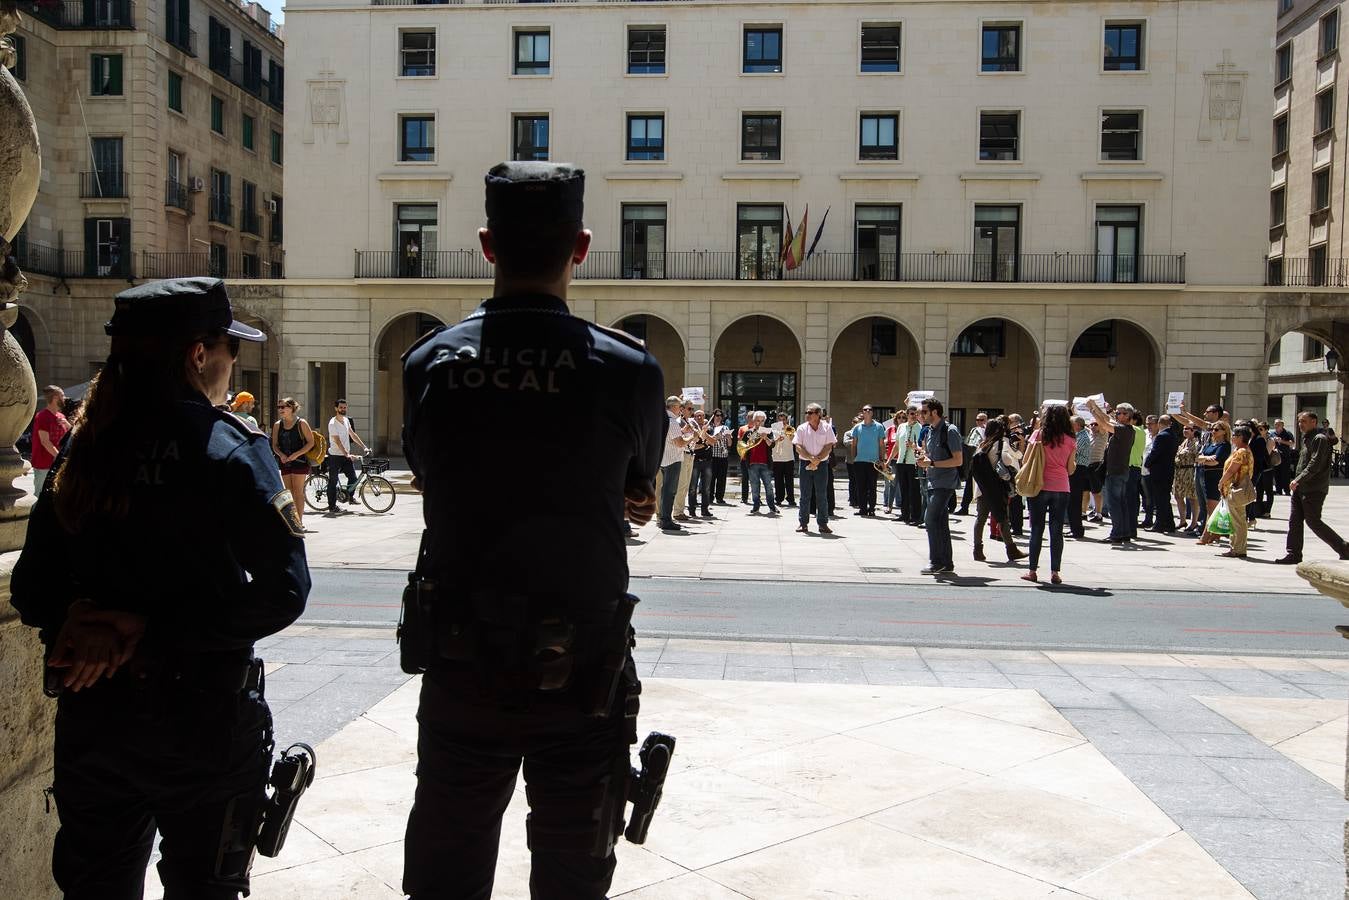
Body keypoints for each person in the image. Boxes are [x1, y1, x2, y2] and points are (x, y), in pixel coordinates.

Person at [400, 162, 666, 899]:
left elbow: (428, 465)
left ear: (488, 245)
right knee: (573, 868)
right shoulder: (625, 368)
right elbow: (637, 476)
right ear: (579, 247)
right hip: (581, 668)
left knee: (445, 865)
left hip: (462, 659)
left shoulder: (429, 362)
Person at [11, 276, 309, 899]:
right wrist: (151, 631)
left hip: (99, 721)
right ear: (199, 355)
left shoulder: (84, 447)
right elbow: (284, 589)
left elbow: (32, 588)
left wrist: (88, 618)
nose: (233, 364)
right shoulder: (228, 447)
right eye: (230, 348)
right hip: (202, 721)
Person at [1276, 410, 1349, 564]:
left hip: (1313, 488)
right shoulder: (1307, 438)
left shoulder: (1319, 439)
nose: (1300, 424)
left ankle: (1344, 548)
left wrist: (1298, 480)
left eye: (1304, 421)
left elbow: (1315, 464)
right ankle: (1293, 554)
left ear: (1314, 422)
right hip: (1300, 487)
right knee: (1295, 521)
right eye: (1299, 421)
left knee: (1313, 521)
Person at [1021, 404, 1075, 584]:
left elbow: (1026, 460)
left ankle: (1032, 570)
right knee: (1056, 530)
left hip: (1039, 485)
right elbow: (1071, 469)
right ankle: (1055, 572)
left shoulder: (1038, 435)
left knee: (1036, 528)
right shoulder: (1070, 439)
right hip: (1061, 487)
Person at [969, 417, 1024, 563]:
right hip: (997, 489)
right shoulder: (1001, 443)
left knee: (980, 519)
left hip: (982, 489)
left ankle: (977, 550)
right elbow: (1010, 459)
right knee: (1003, 519)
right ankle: (1011, 550)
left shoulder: (982, 444)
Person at [918, 397, 963, 575]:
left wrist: (932, 464)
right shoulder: (929, 431)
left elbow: (958, 460)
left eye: (924, 412)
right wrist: (923, 456)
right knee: (941, 523)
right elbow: (931, 455)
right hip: (932, 481)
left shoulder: (950, 431)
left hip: (944, 483)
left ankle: (936, 561)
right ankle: (946, 562)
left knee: (930, 520)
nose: (922, 415)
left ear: (934, 412)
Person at [1086, 399, 1136, 544]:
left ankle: (1117, 534)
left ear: (1128, 416)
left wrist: (1092, 410)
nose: (1119, 415)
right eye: (1118, 412)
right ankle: (1124, 533)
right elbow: (1107, 419)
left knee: (1115, 504)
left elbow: (1104, 424)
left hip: (1116, 471)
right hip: (1119, 471)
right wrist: (1095, 407)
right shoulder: (1123, 428)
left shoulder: (1124, 429)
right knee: (1120, 503)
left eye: (1122, 413)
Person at [272, 397, 317, 533]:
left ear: (291, 408)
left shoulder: (301, 423)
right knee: (288, 492)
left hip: (300, 462)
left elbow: (311, 442)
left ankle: (299, 521)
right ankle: (291, 520)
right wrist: (281, 455)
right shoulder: (277, 425)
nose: (280, 410)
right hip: (285, 462)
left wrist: (296, 454)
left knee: (298, 492)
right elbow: (274, 445)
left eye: (283, 407)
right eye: (279, 407)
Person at [1213, 425, 1257, 558]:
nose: (1232, 438)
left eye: (1234, 436)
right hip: (1237, 489)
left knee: (1237, 520)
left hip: (1236, 489)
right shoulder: (1244, 450)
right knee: (1239, 519)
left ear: (1240, 437)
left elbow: (1232, 470)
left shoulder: (1241, 452)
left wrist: (1221, 481)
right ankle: (1238, 547)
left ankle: (1237, 549)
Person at [793, 402, 835, 534]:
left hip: (822, 465)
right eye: (806, 412)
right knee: (805, 495)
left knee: (821, 495)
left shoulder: (827, 428)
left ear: (818, 415)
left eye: (810, 413)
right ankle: (803, 523)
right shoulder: (801, 428)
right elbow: (798, 447)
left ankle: (823, 524)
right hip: (805, 463)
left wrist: (817, 460)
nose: (807, 415)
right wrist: (811, 458)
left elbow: (829, 446)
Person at [326, 398, 367, 515]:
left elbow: (353, 435)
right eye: (341, 407)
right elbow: (338, 442)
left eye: (344, 407)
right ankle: (332, 506)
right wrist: (347, 454)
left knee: (353, 478)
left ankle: (349, 497)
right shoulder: (332, 423)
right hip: (335, 456)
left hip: (345, 456)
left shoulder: (346, 420)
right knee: (333, 481)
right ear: (336, 408)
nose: (343, 409)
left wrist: (364, 447)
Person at [657, 395, 689, 531]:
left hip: (663, 459)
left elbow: (670, 438)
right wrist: (691, 437)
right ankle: (666, 520)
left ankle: (663, 518)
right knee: (669, 492)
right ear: (675, 407)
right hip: (673, 460)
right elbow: (679, 442)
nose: (681, 410)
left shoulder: (661, 420)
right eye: (680, 407)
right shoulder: (672, 421)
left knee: (664, 491)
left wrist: (682, 432)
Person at [31, 384, 70, 495]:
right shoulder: (42, 416)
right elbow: (45, 442)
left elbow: (70, 437)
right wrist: (60, 458)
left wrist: (67, 425)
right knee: (40, 495)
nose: (65, 398)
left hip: (58, 464)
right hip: (43, 465)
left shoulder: (62, 417)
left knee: (56, 496)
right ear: (55, 398)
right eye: (62, 395)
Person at [848, 405, 886, 517]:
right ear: (862, 412)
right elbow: (854, 444)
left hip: (873, 462)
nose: (868, 411)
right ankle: (862, 508)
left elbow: (881, 444)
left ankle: (872, 508)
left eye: (870, 410)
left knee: (872, 486)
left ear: (872, 412)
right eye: (865, 410)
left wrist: (882, 460)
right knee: (861, 486)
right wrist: (854, 458)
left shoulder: (879, 427)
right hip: (860, 461)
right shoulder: (857, 427)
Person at [1196, 420, 1232, 532]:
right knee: (1205, 505)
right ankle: (1210, 531)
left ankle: (1209, 533)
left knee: (1212, 506)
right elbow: (1197, 457)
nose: (1213, 432)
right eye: (1212, 429)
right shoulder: (1210, 444)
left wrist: (1204, 459)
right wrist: (1206, 458)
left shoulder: (1225, 445)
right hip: (1204, 474)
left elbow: (1215, 461)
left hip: (1215, 477)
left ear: (1224, 432)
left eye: (1216, 430)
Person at [1145, 415, 1179, 534]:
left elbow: (1155, 452)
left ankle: (1159, 525)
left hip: (1159, 471)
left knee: (1160, 500)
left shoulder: (1161, 436)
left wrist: (1147, 463)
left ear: (1159, 424)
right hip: (1168, 470)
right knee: (1164, 498)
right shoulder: (1173, 435)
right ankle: (1169, 523)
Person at [744, 410, 777, 514]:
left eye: (762, 421)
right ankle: (756, 506)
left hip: (765, 463)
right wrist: (755, 435)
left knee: (769, 486)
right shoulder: (749, 432)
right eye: (758, 421)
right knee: (754, 486)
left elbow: (772, 445)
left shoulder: (768, 431)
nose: (760, 423)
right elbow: (743, 445)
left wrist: (765, 437)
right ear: (754, 421)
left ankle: (772, 506)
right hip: (752, 463)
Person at [893, 406, 921, 524]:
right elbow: (897, 445)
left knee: (914, 490)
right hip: (901, 462)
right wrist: (889, 460)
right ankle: (904, 514)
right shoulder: (901, 427)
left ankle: (915, 516)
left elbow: (922, 445)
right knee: (903, 489)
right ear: (907, 414)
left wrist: (914, 446)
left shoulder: (919, 427)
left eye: (915, 414)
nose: (913, 416)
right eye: (911, 414)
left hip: (912, 462)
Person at [1173, 424, 1202, 533]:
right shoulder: (1184, 442)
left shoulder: (1197, 442)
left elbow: (1197, 456)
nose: (1185, 431)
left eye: (1188, 429)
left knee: (1192, 498)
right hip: (1179, 472)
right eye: (1184, 428)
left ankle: (1194, 522)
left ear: (1194, 430)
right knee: (1178, 496)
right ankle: (1182, 520)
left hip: (1190, 471)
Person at [957, 412, 988, 516]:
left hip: (982, 461)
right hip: (971, 459)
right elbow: (968, 443)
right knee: (969, 484)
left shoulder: (987, 431)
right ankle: (964, 507)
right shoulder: (973, 430)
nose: (979, 422)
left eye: (982, 420)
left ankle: (982, 509)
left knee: (982, 486)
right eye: (977, 420)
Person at [686, 408, 714, 518]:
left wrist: (705, 433)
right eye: (697, 416)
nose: (699, 418)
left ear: (704, 418)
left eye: (701, 416)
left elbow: (713, 442)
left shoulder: (709, 429)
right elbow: (693, 445)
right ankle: (692, 510)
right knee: (692, 487)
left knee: (706, 488)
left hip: (707, 462)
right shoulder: (692, 429)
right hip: (695, 461)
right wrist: (701, 444)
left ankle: (704, 509)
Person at [1068, 415, 1092, 538]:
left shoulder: (1082, 437)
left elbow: (1073, 452)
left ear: (1077, 425)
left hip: (1079, 470)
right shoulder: (1078, 436)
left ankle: (1077, 530)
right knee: (1072, 501)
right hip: (1076, 469)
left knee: (1075, 501)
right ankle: (1074, 527)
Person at [771, 411, 797, 507]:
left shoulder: (790, 428)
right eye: (780, 419)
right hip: (777, 458)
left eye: (784, 419)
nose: (782, 421)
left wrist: (787, 430)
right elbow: (771, 442)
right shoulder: (773, 429)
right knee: (778, 480)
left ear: (787, 420)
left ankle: (791, 499)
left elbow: (793, 440)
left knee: (789, 480)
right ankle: (778, 498)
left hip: (789, 458)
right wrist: (778, 438)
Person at [708, 409, 732, 504]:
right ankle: (710, 497)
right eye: (716, 415)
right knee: (711, 479)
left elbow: (730, 444)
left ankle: (720, 497)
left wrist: (729, 438)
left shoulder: (726, 428)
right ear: (713, 416)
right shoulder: (710, 428)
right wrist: (715, 438)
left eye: (720, 415)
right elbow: (707, 442)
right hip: (712, 457)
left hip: (723, 457)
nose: (718, 417)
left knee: (722, 479)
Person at [1273, 418, 1296, 493]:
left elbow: (1292, 443)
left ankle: (1286, 490)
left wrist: (1281, 441)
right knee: (1277, 474)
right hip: (1275, 457)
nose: (1277, 426)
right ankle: (1278, 490)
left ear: (1282, 425)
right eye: (1275, 424)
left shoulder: (1287, 433)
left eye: (1278, 424)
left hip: (1285, 457)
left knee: (1285, 474)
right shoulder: (1272, 433)